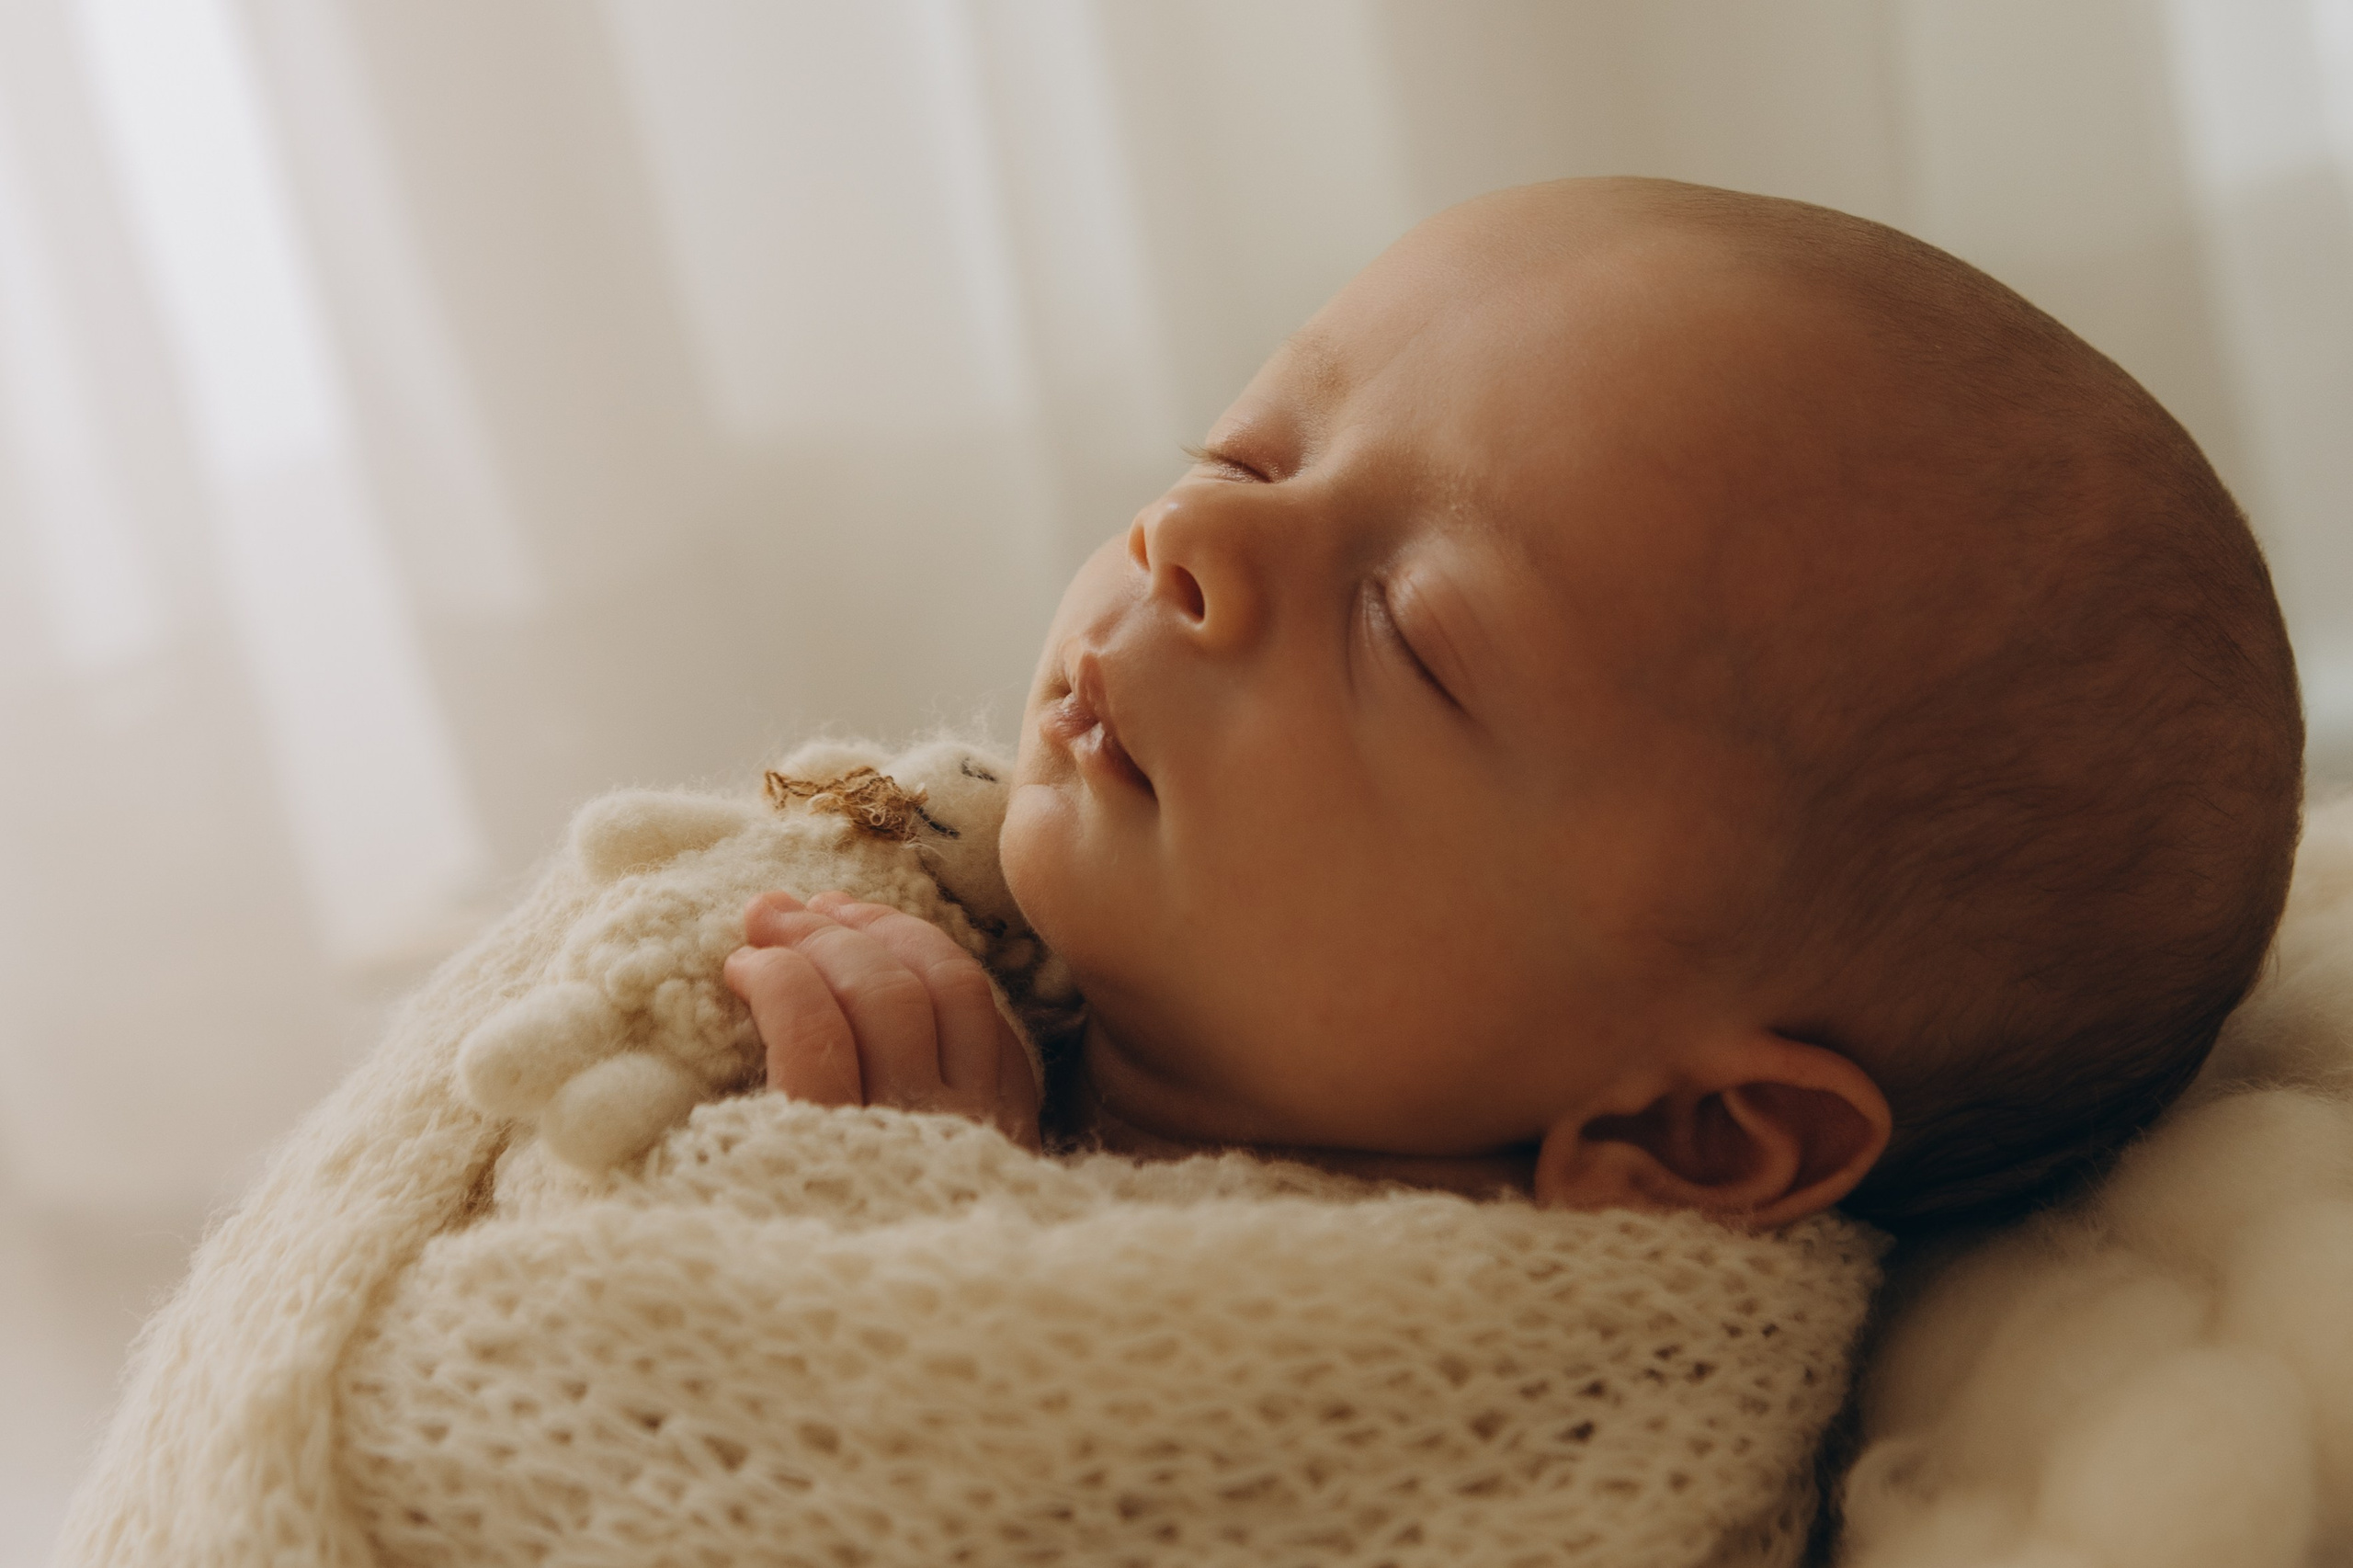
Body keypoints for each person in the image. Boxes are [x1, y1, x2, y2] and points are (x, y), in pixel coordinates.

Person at [724, 176, 2304, 1234]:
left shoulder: (1489, 1402)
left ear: (1693, 1137)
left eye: (1409, 633)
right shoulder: (927, 876)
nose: (1188, 540)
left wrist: (931, 1214)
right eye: (1248, 455)